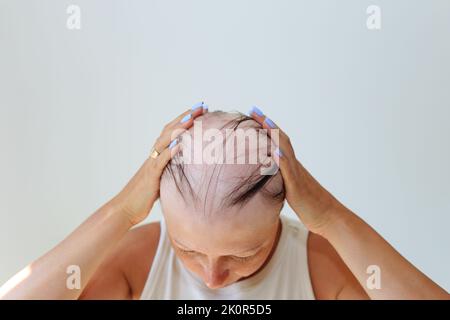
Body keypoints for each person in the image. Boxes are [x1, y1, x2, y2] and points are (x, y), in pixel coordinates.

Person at [0, 103, 448, 299]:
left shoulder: (317, 268)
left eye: (242, 254)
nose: (213, 279)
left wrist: (329, 217)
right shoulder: (139, 260)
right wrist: (122, 210)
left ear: (281, 216)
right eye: (188, 250)